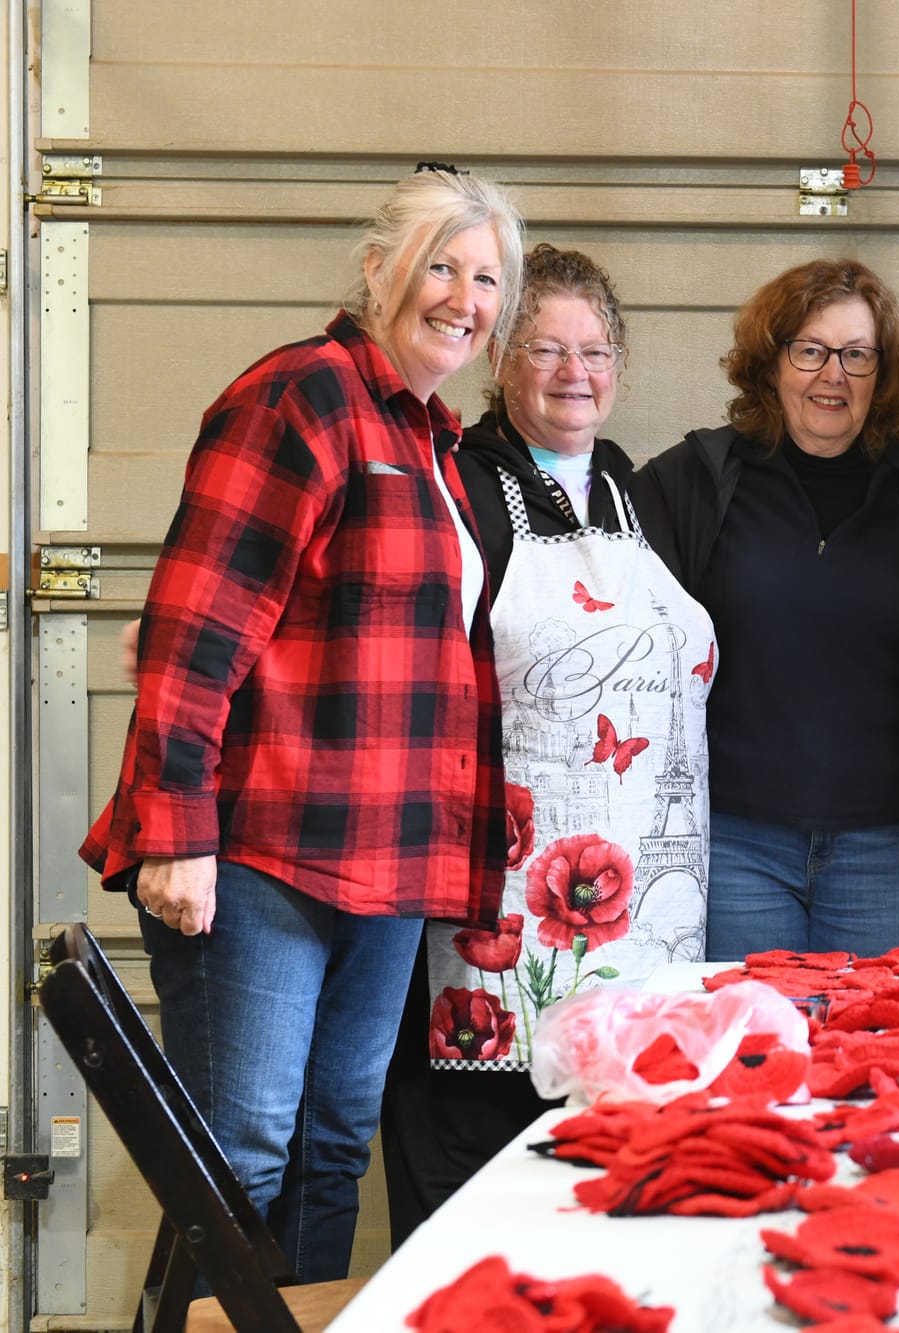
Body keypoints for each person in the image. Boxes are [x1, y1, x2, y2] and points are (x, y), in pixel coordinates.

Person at [79, 167, 523, 1283]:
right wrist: (176, 828)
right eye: (441, 264)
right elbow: (197, 623)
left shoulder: (432, 438)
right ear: (379, 269)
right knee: (239, 1158)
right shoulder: (306, 396)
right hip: (264, 851)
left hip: (384, 866)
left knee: (332, 1150)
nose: (464, 297)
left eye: (487, 279)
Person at [379, 244, 713, 1242]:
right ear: (499, 359)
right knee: (481, 1221)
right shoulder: (460, 490)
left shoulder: (630, 495)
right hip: (500, 921)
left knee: (614, 1216)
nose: (576, 372)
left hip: (643, 939)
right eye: (547, 348)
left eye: (597, 351)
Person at [629, 258, 899, 959]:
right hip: (737, 848)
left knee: (886, 1062)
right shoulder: (690, 484)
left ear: (885, 372)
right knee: (746, 1060)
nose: (831, 374)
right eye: (809, 350)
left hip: (891, 856)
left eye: (857, 355)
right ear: (770, 363)